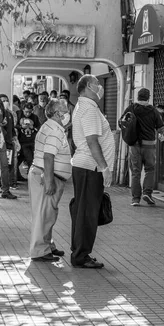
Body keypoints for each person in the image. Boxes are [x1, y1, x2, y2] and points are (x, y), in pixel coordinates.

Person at [70, 75, 115, 269]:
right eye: (97, 84)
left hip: (85, 166)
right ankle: (81, 255)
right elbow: (92, 141)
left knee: (83, 211)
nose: (100, 87)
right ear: (89, 86)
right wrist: (104, 167)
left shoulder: (84, 107)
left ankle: (79, 251)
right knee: (87, 213)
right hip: (90, 167)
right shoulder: (89, 110)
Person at [29, 99, 72, 262]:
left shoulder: (51, 127)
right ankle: (40, 250)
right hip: (46, 175)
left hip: (45, 174)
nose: (67, 113)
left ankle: (47, 245)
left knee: (47, 213)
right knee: (44, 214)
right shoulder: (54, 130)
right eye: (64, 110)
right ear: (56, 113)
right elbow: (48, 157)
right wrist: (49, 181)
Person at [119, 87, 164, 206]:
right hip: (149, 144)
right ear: (148, 98)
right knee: (150, 169)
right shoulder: (153, 111)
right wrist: (161, 136)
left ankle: (135, 199)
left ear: (138, 97)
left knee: (135, 172)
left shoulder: (131, 108)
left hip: (134, 145)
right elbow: (160, 127)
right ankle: (147, 193)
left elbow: (122, 122)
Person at [0, 86, 17, 200]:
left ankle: (5, 190)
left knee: (4, 165)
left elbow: (5, 122)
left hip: (1, 139)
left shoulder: (0, 106)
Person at [16, 102, 40, 179]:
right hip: (22, 142)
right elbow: (14, 125)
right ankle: (30, 177)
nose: (28, 114)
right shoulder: (18, 115)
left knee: (25, 159)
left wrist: (33, 128)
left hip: (32, 141)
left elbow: (39, 127)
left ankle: (27, 176)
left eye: (30, 112)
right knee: (29, 159)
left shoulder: (35, 117)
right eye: (26, 111)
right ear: (23, 110)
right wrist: (21, 127)